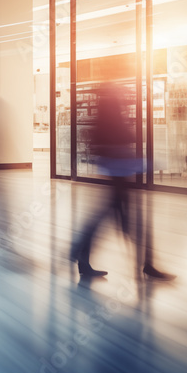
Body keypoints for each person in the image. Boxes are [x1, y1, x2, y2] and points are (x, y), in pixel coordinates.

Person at [69, 83, 174, 280]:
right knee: (123, 219)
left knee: (116, 217)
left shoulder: (108, 99)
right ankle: (146, 264)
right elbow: (114, 132)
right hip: (118, 168)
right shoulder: (110, 99)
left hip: (117, 167)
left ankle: (81, 254)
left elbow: (108, 133)